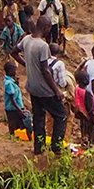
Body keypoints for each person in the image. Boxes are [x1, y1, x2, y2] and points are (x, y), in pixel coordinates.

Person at [24, 16, 67, 155]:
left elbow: (13, 51)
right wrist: (57, 91)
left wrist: (27, 65)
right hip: (44, 90)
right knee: (61, 115)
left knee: (38, 116)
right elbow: (46, 70)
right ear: (46, 27)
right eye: (49, 28)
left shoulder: (26, 39)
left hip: (32, 87)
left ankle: (39, 147)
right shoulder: (43, 46)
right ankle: (56, 146)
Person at [3, 61, 33, 138]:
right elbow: (12, 99)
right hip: (13, 108)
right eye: (15, 70)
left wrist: (17, 83)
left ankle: (17, 137)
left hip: (16, 107)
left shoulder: (11, 81)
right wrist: (19, 110)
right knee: (22, 123)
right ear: (10, 71)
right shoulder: (9, 83)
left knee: (19, 123)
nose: (16, 72)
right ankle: (18, 138)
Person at [73, 67, 94, 145]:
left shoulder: (76, 89)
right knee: (88, 129)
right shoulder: (86, 93)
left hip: (80, 112)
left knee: (83, 127)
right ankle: (87, 142)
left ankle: (84, 140)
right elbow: (89, 106)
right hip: (87, 114)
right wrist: (93, 116)